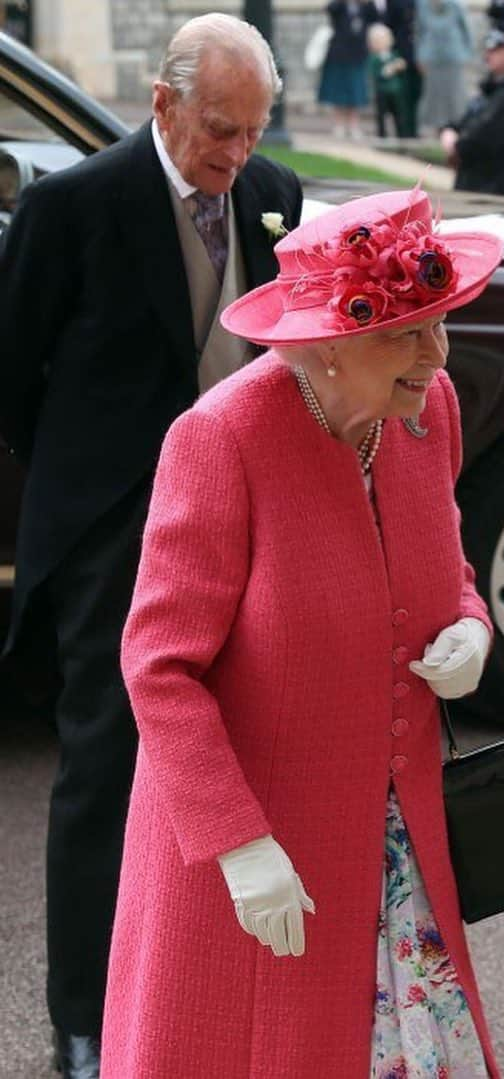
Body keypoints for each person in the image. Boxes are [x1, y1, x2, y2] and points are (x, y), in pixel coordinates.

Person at [100, 188, 504, 1076]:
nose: (435, 355)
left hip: (402, 855)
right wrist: (237, 842)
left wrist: (470, 629)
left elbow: (451, 569)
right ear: (325, 347)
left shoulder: (424, 413)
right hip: (264, 855)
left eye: (439, 324)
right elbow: (159, 667)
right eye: (406, 332)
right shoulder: (220, 440)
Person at [0, 14, 302, 1078]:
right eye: (220, 130)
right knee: (107, 763)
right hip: (111, 535)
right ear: (164, 104)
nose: (236, 157)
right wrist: (98, 504)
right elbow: (14, 381)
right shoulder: (69, 207)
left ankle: (204, 995)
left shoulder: (275, 192)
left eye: (253, 131)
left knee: (241, 756)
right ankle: (84, 1016)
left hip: (253, 526)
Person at [440, 22, 504, 199]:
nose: (488, 54)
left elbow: (481, 142)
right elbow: (461, 124)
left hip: (502, 197)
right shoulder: (491, 92)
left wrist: (456, 145)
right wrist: (450, 132)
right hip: (478, 191)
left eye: (497, 48)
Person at [318, 0, 380, 139]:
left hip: (358, 54)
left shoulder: (365, 7)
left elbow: (376, 16)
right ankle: (339, 124)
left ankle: (353, 125)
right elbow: (330, 9)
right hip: (339, 53)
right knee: (338, 91)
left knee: (356, 92)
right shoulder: (340, 5)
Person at [416, 0, 473, 134]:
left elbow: (465, 30)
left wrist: (467, 54)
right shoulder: (423, 5)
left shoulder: (455, 5)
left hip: (453, 55)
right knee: (434, 95)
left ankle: (457, 126)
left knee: (455, 94)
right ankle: (438, 129)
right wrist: (419, 56)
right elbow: (420, 32)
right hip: (431, 57)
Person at [367, 21, 412, 137]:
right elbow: (375, 74)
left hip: (396, 91)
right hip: (382, 91)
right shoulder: (374, 58)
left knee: (399, 115)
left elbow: (402, 68)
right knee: (381, 116)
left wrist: (400, 65)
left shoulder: (394, 54)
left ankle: (402, 135)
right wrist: (388, 70)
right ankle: (382, 135)